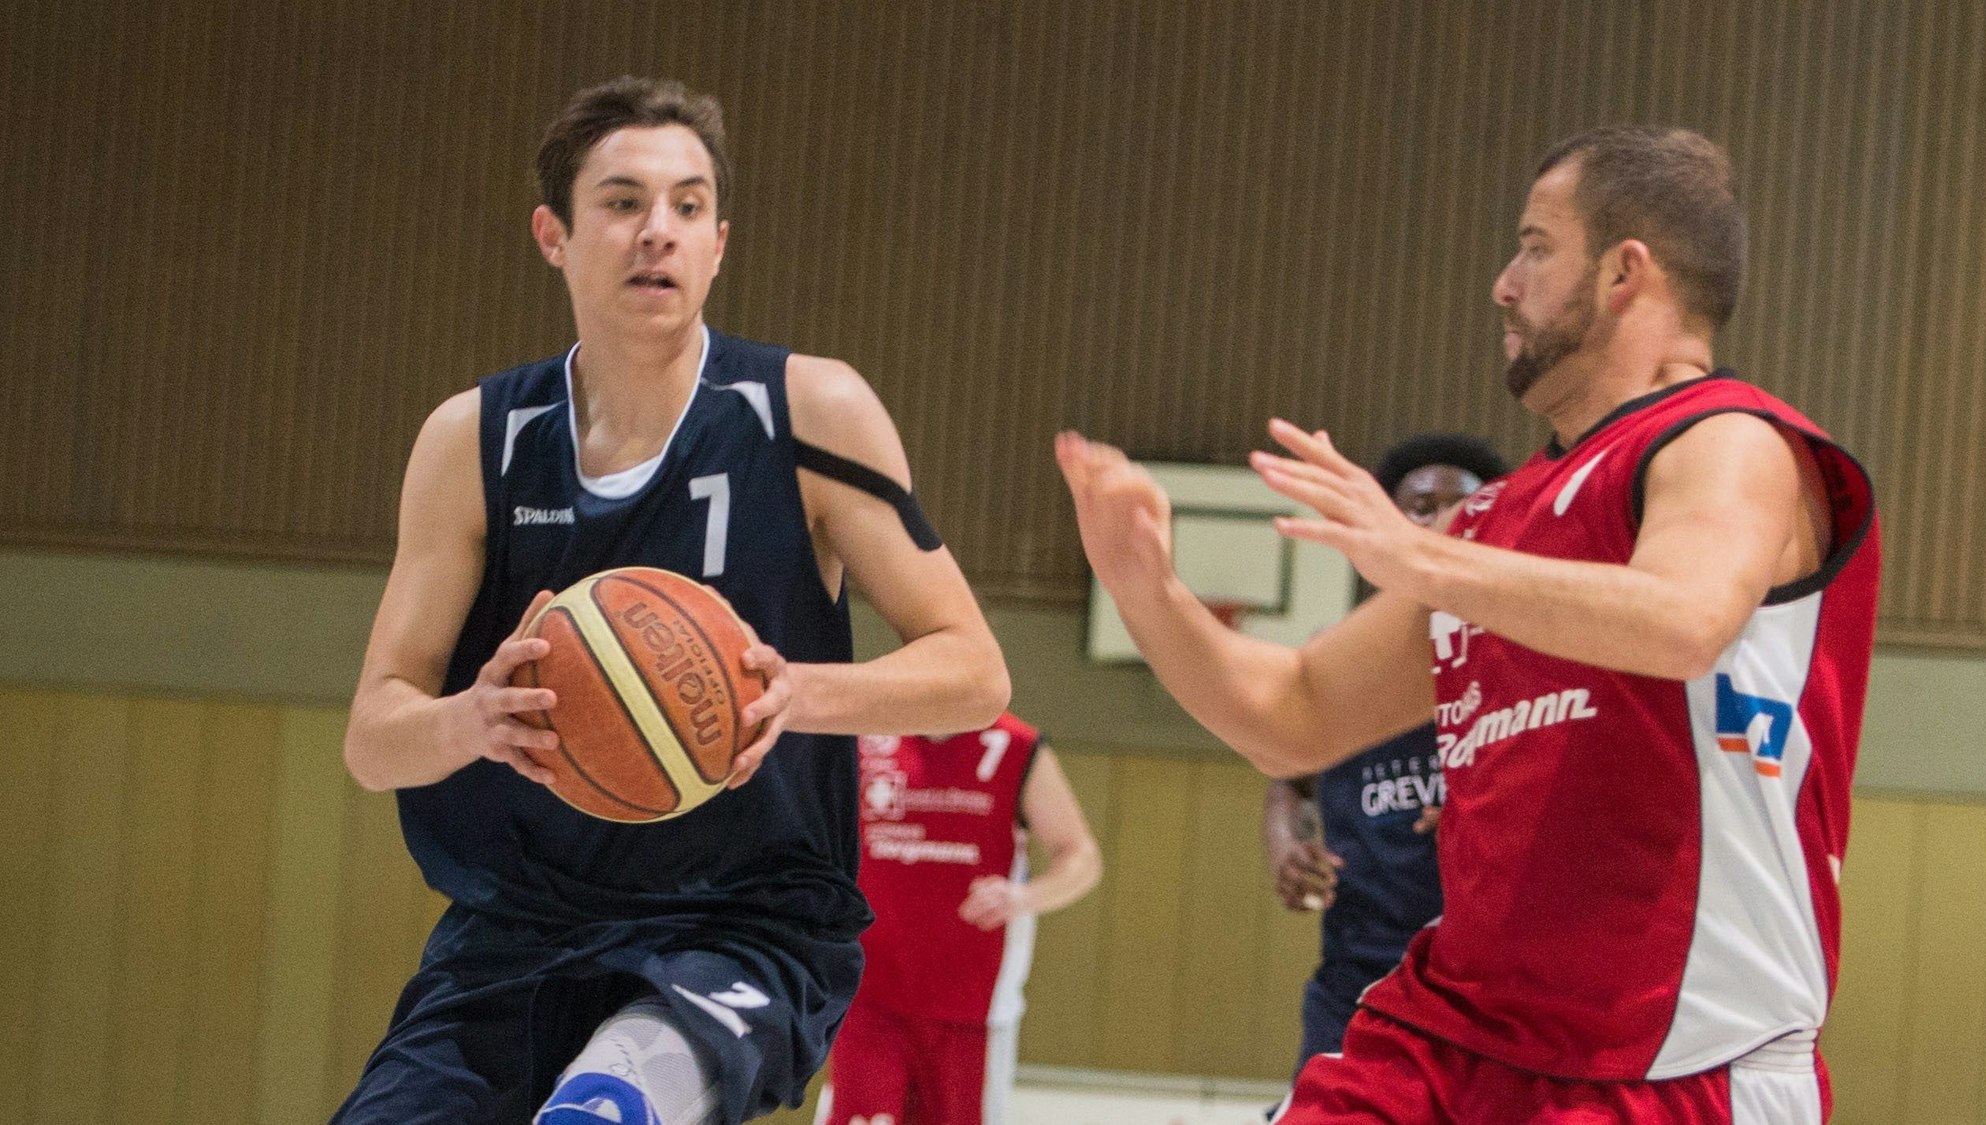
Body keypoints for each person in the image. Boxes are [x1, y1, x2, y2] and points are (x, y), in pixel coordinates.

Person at [1058, 126, 1878, 1122]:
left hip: (1675, 1059)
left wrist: (1420, 559)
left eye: (1535, 247)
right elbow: (1293, 714)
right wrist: (1148, 588)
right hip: (1451, 1040)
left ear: (1624, 272)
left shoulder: (1728, 440)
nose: (1502, 284)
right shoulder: (1490, 522)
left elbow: (1683, 620)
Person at [336, 77, 1009, 1125]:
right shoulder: (474, 441)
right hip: (522, 925)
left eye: (688, 206)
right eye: (622, 202)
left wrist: (791, 694)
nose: (658, 230)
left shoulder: (808, 410)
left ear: (718, 243)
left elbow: (974, 671)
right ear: (553, 235)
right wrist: (475, 719)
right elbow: (374, 740)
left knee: (603, 1113)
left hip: (740, 922)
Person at [1263, 434, 1506, 1075]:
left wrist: (1490, 820)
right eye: (1422, 507)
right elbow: (1291, 779)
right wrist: (1288, 847)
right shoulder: (1342, 654)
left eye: (1463, 507)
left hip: (1489, 984)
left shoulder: (1520, 655)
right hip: (1359, 973)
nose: (1442, 522)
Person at [820, 712, 1102, 1125]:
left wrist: (1024, 897)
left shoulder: (1015, 745)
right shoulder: (865, 736)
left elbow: (1081, 856)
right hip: (868, 999)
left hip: (972, 1010)